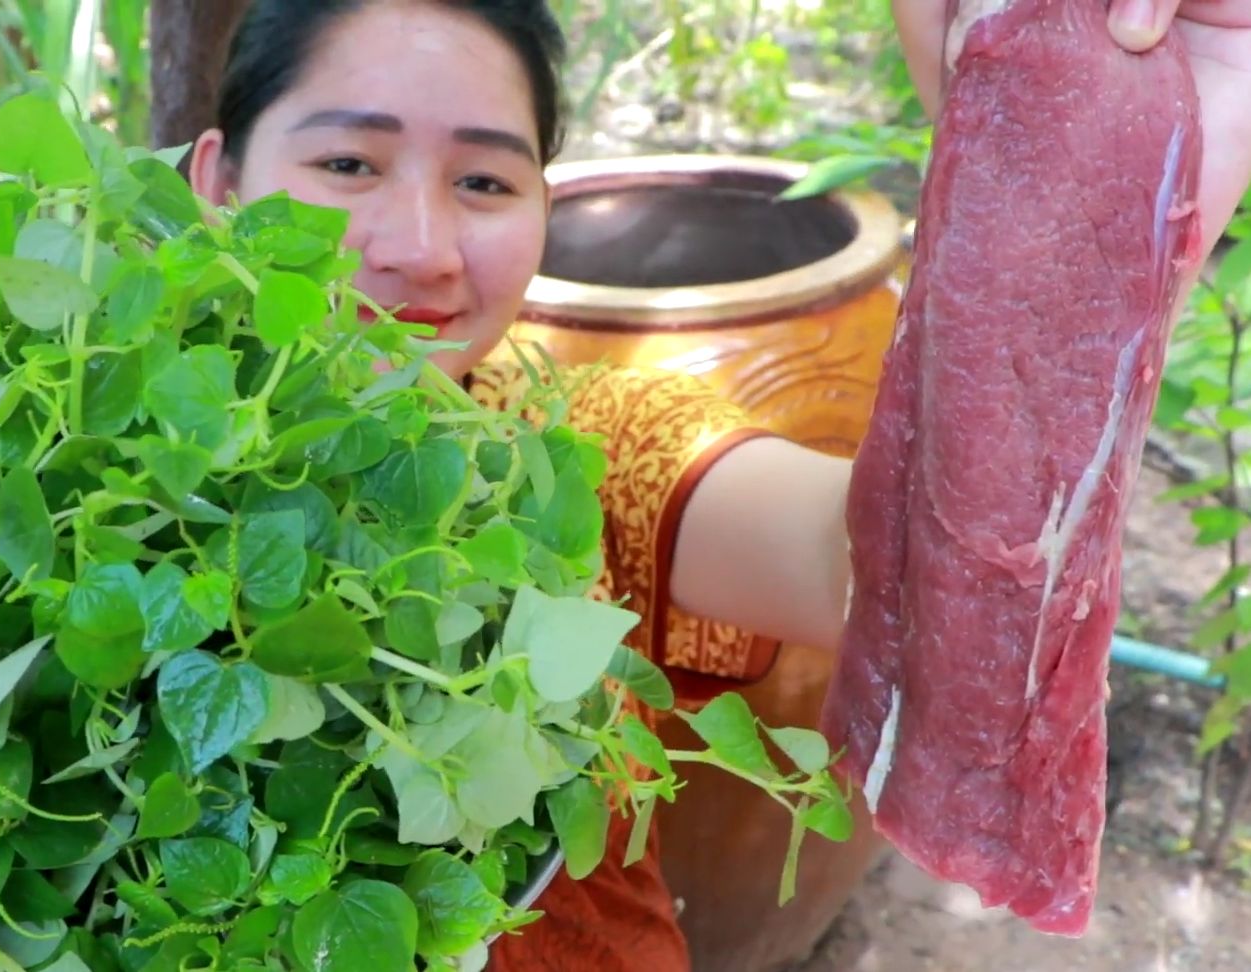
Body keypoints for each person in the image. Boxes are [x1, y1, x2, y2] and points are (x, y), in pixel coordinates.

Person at [185, 1, 1251, 968]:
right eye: (347, 165)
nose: (420, 248)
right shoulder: (68, 462)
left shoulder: (579, 446)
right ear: (215, 182)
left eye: (484, 182)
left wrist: (1061, 194)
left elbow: (931, 577)